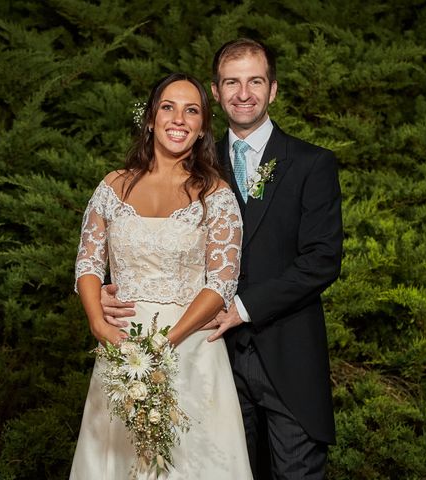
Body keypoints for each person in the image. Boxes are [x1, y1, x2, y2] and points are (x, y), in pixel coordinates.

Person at [102, 39, 343, 479]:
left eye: (255, 81)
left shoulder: (312, 163)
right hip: (207, 357)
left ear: (273, 90)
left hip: (286, 356)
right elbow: (141, 236)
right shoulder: (191, 167)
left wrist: (244, 308)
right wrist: (112, 286)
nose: (243, 92)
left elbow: (323, 259)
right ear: (216, 92)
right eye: (232, 82)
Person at [70, 73, 253, 479]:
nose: (179, 119)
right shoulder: (113, 186)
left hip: (190, 350)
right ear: (151, 118)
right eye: (168, 107)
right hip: (122, 349)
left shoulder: (216, 195)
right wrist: (98, 322)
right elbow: (87, 263)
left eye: (192, 111)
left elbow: (221, 283)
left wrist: (163, 345)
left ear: (203, 126)